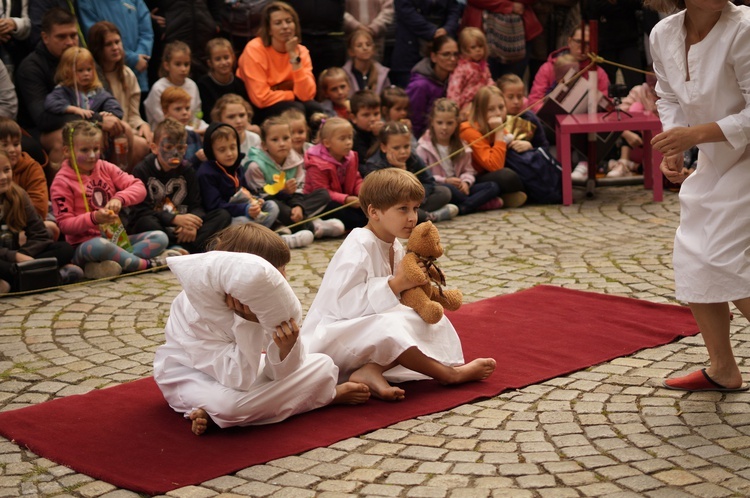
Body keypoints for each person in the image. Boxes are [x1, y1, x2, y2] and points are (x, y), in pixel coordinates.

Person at [154, 223, 370, 435]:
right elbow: (236, 378)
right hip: (194, 377)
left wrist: (285, 348)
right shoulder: (193, 311)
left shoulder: (267, 299)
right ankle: (324, 397)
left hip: (246, 373)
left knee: (323, 365)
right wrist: (248, 323)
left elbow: (280, 372)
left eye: (283, 271)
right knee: (229, 407)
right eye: (277, 275)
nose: (283, 281)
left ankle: (222, 417)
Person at [300, 167, 497, 400]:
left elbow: (401, 295)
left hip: (364, 325)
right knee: (392, 327)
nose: (412, 217)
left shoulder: (393, 244)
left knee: (424, 319)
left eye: (415, 208)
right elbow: (342, 304)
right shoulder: (358, 245)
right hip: (332, 335)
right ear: (374, 212)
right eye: (403, 209)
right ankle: (448, 374)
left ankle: (372, 370)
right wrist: (395, 284)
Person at [649, 0, 750, 392]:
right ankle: (723, 369)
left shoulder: (744, 27)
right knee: (692, 254)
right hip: (716, 160)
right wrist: (675, 144)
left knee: (720, 256)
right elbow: (668, 96)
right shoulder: (663, 33)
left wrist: (694, 135)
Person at [49, 120, 178, 279]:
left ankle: (115, 265)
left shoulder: (104, 167)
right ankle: (147, 264)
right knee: (101, 246)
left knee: (160, 237)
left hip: (116, 239)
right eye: (84, 150)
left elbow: (138, 187)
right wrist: (94, 218)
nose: (91, 155)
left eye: (96, 149)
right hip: (84, 246)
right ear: (67, 151)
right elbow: (65, 225)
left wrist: (120, 199)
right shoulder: (61, 182)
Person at [128, 118, 231, 254]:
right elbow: (142, 211)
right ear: (154, 148)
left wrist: (191, 224)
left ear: (186, 148)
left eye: (180, 148)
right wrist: (174, 219)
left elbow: (196, 205)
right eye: (169, 147)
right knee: (145, 221)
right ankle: (176, 248)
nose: (175, 153)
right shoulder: (142, 170)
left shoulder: (187, 169)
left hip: (184, 228)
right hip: (161, 227)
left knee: (222, 215)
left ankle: (181, 250)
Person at [244, 116, 344, 240]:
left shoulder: (297, 161)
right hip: (269, 205)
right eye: (275, 140)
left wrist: (299, 207)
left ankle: (292, 226)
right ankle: (312, 227)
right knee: (275, 206)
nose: (282, 144)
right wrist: (282, 191)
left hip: (292, 204)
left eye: (286, 138)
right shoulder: (256, 166)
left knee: (323, 194)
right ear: (264, 145)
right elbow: (260, 196)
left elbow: (299, 190)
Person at [0, 149, 81, 294]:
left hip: (18, 257)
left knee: (64, 249)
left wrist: (25, 255)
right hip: (5, 259)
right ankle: (52, 276)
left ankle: (19, 280)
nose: (3, 177)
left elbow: (40, 234)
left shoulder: (19, 195)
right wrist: (15, 257)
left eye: (6, 170)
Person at [235, 1, 320, 124]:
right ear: (269, 30)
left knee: (316, 110)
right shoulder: (254, 49)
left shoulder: (301, 51)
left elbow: (307, 95)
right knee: (296, 110)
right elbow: (260, 98)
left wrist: (293, 56)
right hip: (258, 108)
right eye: (278, 23)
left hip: (288, 100)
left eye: (289, 21)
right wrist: (292, 94)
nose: (285, 26)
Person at [417, 98, 501, 215]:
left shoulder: (462, 146)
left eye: (449, 123)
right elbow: (423, 177)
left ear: (456, 123)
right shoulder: (424, 147)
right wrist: (445, 180)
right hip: (441, 186)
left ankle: (463, 208)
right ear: (432, 122)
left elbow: (469, 171)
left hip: (460, 186)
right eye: (440, 123)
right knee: (449, 190)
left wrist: (466, 182)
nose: (444, 127)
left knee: (492, 186)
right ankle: (477, 204)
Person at [363, 120, 456, 223]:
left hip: (413, 202)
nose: (403, 151)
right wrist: (401, 171)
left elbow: (429, 181)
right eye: (396, 148)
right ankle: (429, 216)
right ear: (384, 147)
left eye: (406, 146)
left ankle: (418, 214)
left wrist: (417, 199)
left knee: (444, 192)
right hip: (392, 206)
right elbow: (382, 195)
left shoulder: (412, 157)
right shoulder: (375, 164)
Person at [88, 21, 152, 166]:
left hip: (126, 129)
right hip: (103, 132)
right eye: (108, 44)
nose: (115, 47)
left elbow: (133, 114)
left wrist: (142, 125)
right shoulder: (90, 77)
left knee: (147, 142)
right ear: (98, 48)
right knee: (135, 144)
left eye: (117, 42)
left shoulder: (128, 74)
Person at [458, 85, 527, 208]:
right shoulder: (469, 131)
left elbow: (509, 142)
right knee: (507, 176)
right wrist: (499, 131)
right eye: (491, 109)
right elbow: (495, 166)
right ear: (480, 111)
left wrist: (527, 144)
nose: (498, 113)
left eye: (501, 107)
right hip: (473, 179)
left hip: (490, 174)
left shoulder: (492, 124)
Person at [0, 117, 60, 239]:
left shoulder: (31, 167)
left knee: (53, 236)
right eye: (5, 145)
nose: (12, 150)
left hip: (26, 226)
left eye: (16, 144)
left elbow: (39, 209)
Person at [304, 117, 368, 230]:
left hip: (345, 199)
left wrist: (362, 192)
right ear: (327, 143)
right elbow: (323, 192)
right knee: (357, 219)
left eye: (350, 137)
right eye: (342, 139)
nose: (348, 142)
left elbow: (356, 179)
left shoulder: (350, 157)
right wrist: (346, 199)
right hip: (323, 203)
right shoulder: (316, 163)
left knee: (369, 211)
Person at [528, 25, 610, 113]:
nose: (582, 47)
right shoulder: (548, 68)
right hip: (552, 121)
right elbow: (534, 102)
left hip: (585, 120)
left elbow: (606, 104)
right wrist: (550, 115)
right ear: (569, 41)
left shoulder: (598, 73)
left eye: (587, 43)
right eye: (578, 41)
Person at [77, 0, 153, 94]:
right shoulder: (87, 2)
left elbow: (147, 33)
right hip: (104, 77)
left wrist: (140, 58)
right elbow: (95, 37)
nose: (115, 47)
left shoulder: (136, 1)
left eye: (117, 42)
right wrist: (131, 59)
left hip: (139, 74)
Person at [390, 0, 463, 89]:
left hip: (442, 45)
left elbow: (454, 10)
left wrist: (446, 30)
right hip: (410, 50)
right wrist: (432, 32)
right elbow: (405, 11)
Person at [144, 41, 207, 131]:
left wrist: (201, 129)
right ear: (166, 65)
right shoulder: (158, 88)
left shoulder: (192, 85)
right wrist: (192, 131)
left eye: (186, 64)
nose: (183, 69)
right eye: (178, 64)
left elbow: (196, 115)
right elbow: (162, 119)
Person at [405, 35, 459, 139]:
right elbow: (415, 123)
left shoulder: (456, 79)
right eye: (446, 54)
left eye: (456, 54)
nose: (452, 59)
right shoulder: (419, 86)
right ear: (433, 57)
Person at [197, 38, 250, 124]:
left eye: (226, 57)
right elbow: (207, 116)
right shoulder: (203, 85)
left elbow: (247, 110)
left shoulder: (239, 83)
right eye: (218, 59)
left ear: (233, 57)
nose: (223, 62)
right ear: (210, 63)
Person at [446, 27, 494, 116]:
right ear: (464, 49)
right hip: (466, 108)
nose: (478, 50)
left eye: (480, 46)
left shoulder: (484, 66)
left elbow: (489, 80)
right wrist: (455, 112)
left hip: (483, 103)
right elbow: (454, 90)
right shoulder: (461, 69)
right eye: (473, 47)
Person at [160, 86, 204, 168]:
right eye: (178, 109)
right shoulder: (162, 137)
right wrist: (196, 158)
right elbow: (173, 166)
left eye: (187, 108)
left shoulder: (194, 135)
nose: (184, 113)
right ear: (165, 111)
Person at [342, 29, 391, 97]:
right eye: (359, 46)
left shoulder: (382, 73)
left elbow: (388, 99)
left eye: (368, 45)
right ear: (351, 51)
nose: (365, 48)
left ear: (373, 49)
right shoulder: (343, 75)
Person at [350, 89, 383, 163]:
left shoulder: (383, 130)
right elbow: (369, 160)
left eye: (376, 114)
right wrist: (377, 137)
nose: (373, 119)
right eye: (366, 115)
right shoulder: (352, 136)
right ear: (353, 118)